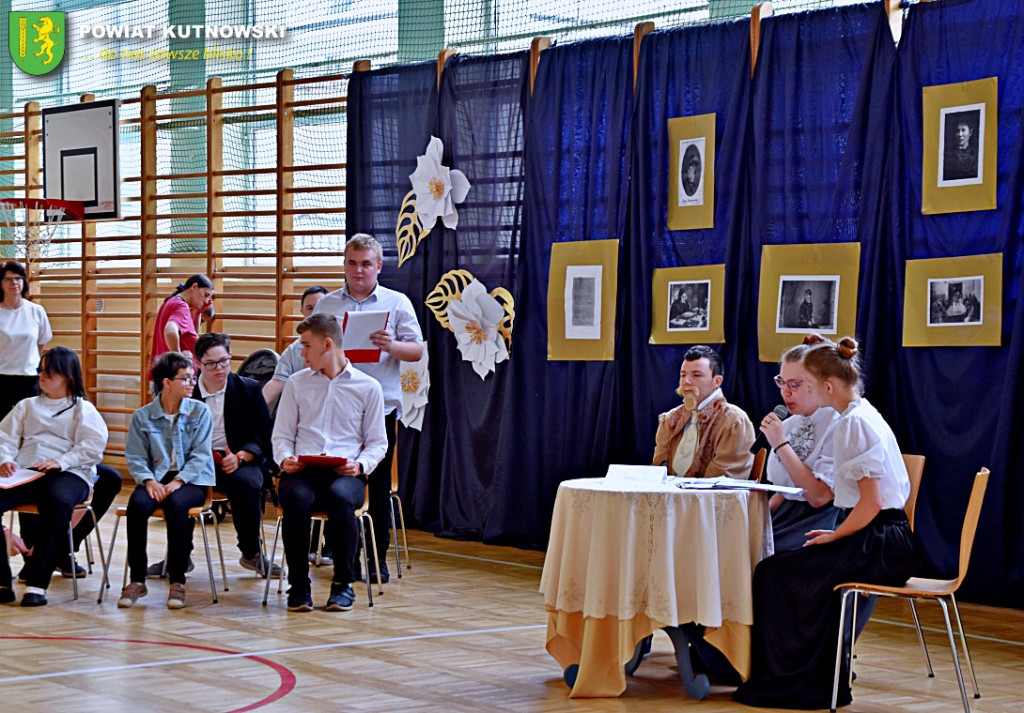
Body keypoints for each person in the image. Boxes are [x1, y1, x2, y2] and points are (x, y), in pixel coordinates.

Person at [734, 336, 914, 710]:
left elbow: (872, 504)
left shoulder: (852, 423)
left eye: (808, 385)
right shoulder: (861, 413)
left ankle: (798, 681)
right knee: (780, 570)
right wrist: (838, 534)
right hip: (878, 534)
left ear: (828, 386)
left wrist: (835, 536)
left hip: (880, 541)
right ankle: (809, 675)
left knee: (774, 573)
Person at [314, 234, 423, 583]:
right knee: (336, 483)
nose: (358, 270)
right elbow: (310, 348)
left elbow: (417, 351)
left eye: (365, 264)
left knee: (377, 488)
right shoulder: (328, 304)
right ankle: (344, 558)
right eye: (352, 263)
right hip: (335, 410)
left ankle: (377, 558)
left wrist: (391, 345)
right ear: (344, 266)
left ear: (378, 266)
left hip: (380, 408)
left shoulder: (396, 302)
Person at [271, 313, 387, 612]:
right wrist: (285, 458)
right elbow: (281, 435)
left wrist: (360, 465)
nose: (302, 353)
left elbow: (378, 442)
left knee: (340, 497)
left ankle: (343, 584)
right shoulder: (296, 384)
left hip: (345, 472)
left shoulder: (368, 386)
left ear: (327, 344)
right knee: (295, 497)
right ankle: (299, 586)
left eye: (306, 345)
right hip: (303, 470)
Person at [142, 332, 277, 579]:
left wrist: (241, 456)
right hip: (193, 462)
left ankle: (251, 552)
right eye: (211, 364)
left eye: (224, 361)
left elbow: (262, 434)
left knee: (247, 483)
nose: (219, 369)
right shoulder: (184, 390)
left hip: (237, 459)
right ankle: (179, 556)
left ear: (231, 357)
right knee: (177, 490)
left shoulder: (248, 389)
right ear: (198, 363)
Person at [0, 347, 108, 606]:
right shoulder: (26, 406)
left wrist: (61, 462)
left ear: (67, 375)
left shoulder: (83, 409)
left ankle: (37, 584)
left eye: (49, 372)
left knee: (57, 503)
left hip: (69, 473)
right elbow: (5, 437)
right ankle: (2, 582)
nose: (41, 376)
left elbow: (93, 446)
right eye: (40, 370)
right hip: (26, 471)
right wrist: (5, 459)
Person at [118, 352, 214, 610]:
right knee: (137, 506)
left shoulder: (200, 412)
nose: (192, 383)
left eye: (193, 378)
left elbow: (201, 454)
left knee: (176, 505)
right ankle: (137, 579)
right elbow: (136, 456)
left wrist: (179, 481)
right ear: (167, 383)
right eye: (186, 378)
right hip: (156, 477)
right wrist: (149, 481)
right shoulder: (143, 416)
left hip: (192, 480)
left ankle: (178, 581)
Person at [759, 338, 839, 552]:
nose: (786, 392)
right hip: (787, 513)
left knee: (771, 559)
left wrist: (780, 444)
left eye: (794, 385)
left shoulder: (839, 424)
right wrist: (757, 518)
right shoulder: (790, 424)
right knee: (739, 545)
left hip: (823, 518)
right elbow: (785, 491)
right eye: (782, 383)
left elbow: (819, 497)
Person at [652, 345, 755, 478]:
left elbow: (722, 480)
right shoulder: (670, 419)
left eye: (696, 375)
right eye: (683, 375)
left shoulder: (734, 421)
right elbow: (659, 470)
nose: (686, 381)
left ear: (717, 381)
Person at [17, 462, 122, 578]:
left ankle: (62, 548)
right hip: (36, 459)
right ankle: (34, 556)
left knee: (110, 478)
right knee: (36, 477)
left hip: (74, 461)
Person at [0, 261, 52, 420]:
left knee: (30, 424)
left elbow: (41, 343)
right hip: (1, 376)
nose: (14, 283)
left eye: (18, 278)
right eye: (8, 279)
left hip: (28, 377)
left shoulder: (36, 311)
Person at [262, 285, 328, 408]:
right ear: (302, 312)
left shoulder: (341, 345)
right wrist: (253, 408)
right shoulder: (294, 350)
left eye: (320, 307)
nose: (315, 313)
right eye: (310, 308)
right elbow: (278, 381)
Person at [150, 274, 215, 368]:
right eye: (206, 295)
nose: (206, 301)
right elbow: (170, 331)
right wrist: (179, 358)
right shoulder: (181, 307)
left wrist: (198, 313)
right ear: (194, 287)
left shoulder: (171, 301)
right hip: (176, 372)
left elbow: (191, 337)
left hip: (168, 370)